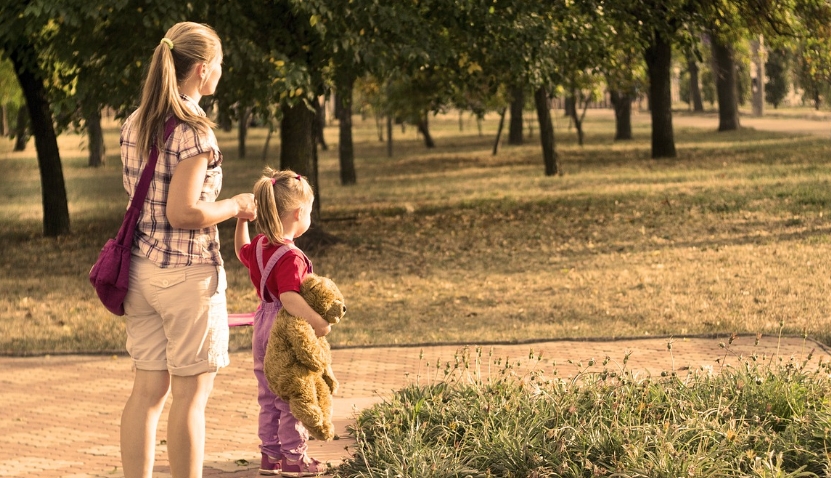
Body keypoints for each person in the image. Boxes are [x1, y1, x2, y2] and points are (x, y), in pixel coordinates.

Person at [118, 22, 256, 478]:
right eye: (218, 64)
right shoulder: (196, 134)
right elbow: (184, 213)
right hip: (187, 277)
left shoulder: (135, 122)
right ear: (201, 70)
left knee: (146, 393)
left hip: (139, 272)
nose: (221, 71)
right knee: (190, 399)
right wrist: (235, 204)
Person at [234, 168, 331, 477]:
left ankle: (270, 456)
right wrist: (318, 322)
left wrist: (241, 222)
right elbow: (290, 298)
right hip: (283, 330)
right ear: (299, 213)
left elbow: (240, 251)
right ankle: (294, 458)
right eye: (310, 212)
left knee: (268, 395)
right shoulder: (292, 256)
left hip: (260, 323)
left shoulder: (261, 245)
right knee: (292, 393)